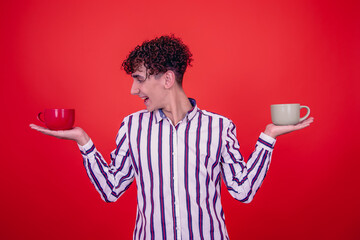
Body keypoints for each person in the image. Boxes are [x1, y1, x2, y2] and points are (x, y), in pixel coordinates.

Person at [30, 35, 314, 240]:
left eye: (139, 79)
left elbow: (243, 191)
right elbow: (111, 189)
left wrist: (269, 137)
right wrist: (83, 141)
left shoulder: (219, 127)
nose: (133, 90)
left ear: (167, 79)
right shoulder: (132, 127)